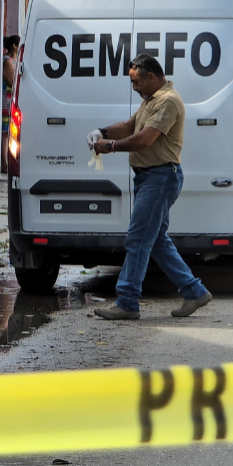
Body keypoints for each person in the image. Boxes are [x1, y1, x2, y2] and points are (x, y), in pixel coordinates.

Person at [88, 54, 212, 320]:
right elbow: (130, 126)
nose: (134, 88)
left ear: (151, 78)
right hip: (149, 177)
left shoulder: (168, 102)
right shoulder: (151, 100)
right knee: (154, 241)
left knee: (138, 238)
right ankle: (194, 291)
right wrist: (103, 132)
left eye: (136, 82)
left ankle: (127, 301)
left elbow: (144, 139)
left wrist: (110, 147)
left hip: (160, 177)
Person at [2, 35, 21, 167]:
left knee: (11, 131)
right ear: (14, 45)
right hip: (6, 100)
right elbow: (13, 81)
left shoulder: (15, 60)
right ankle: (4, 162)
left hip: (13, 99)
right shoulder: (8, 61)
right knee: (5, 131)